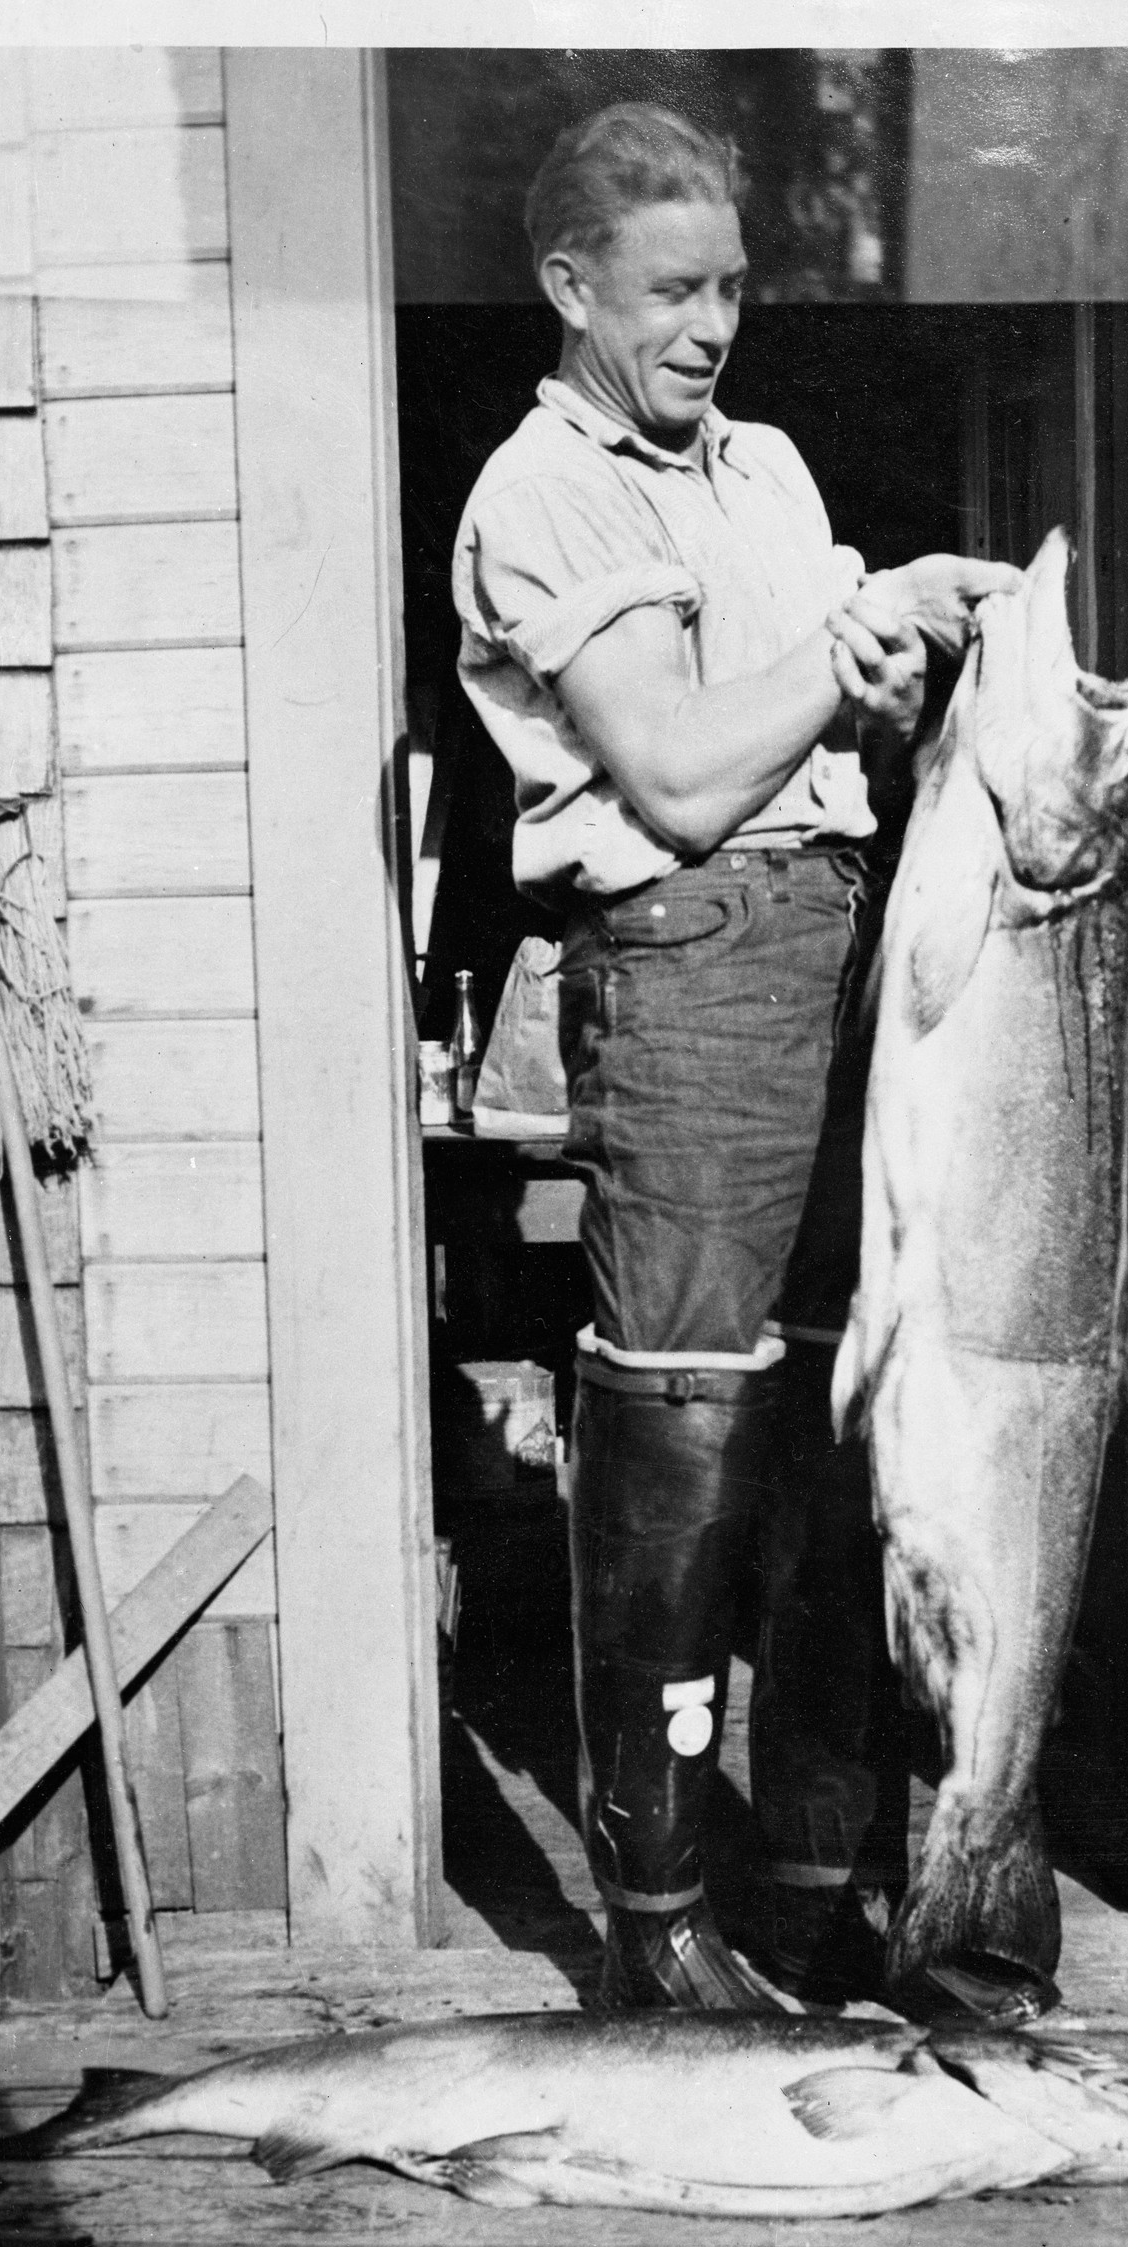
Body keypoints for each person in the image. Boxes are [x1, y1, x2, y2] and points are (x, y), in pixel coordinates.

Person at [454, 101, 1018, 2009]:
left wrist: (895, 667)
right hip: (690, 961)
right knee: (684, 1415)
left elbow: (818, 726)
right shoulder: (541, 494)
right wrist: (853, 633)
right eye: (670, 292)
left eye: (732, 290)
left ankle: (816, 1874)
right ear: (571, 287)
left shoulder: (763, 465)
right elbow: (686, 775)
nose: (710, 327)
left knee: (852, 1409)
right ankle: (660, 1925)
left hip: (850, 944)